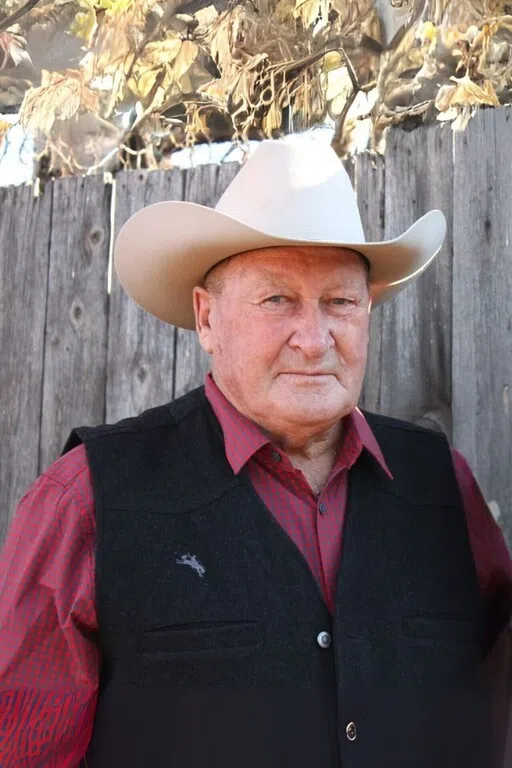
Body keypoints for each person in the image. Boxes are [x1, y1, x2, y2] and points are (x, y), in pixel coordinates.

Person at [0, 140, 511, 768]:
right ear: (206, 319)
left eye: (340, 301)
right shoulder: (86, 500)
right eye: (277, 300)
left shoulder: (444, 489)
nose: (314, 339)